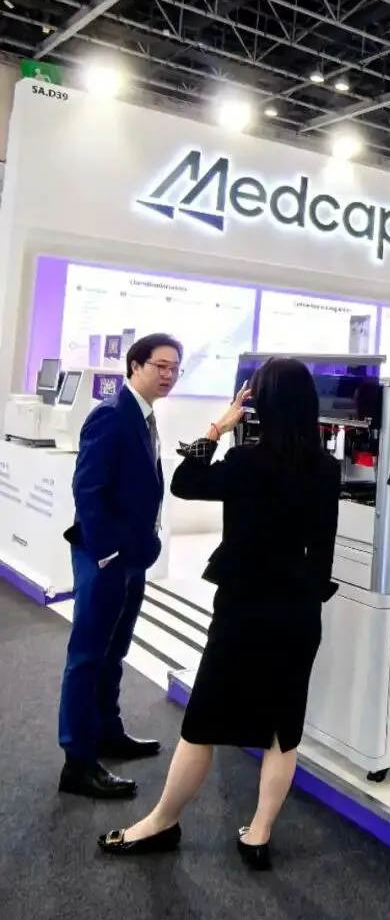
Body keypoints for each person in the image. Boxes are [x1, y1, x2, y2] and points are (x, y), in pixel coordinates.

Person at [97, 357, 340, 868]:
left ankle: (162, 821)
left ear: (260, 404)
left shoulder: (247, 461)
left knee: (202, 723)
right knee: (283, 730)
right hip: (298, 614)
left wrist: (218, 427)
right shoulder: (325, 468)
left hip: (243, 610)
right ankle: (259, 834)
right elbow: (323, 552)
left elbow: (184, 481)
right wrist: (306, 597)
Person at [58, 333, 183, 800]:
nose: (168, 375)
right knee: (87, 656)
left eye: (175, 368)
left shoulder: (144, 416)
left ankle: (107, 732)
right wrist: (107, 553)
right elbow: (87, 489)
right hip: (105, 558)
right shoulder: (111, 414)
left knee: (114, 651)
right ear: (135, 366)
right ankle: (77, 761)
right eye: (160, 366)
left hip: (131, 558)